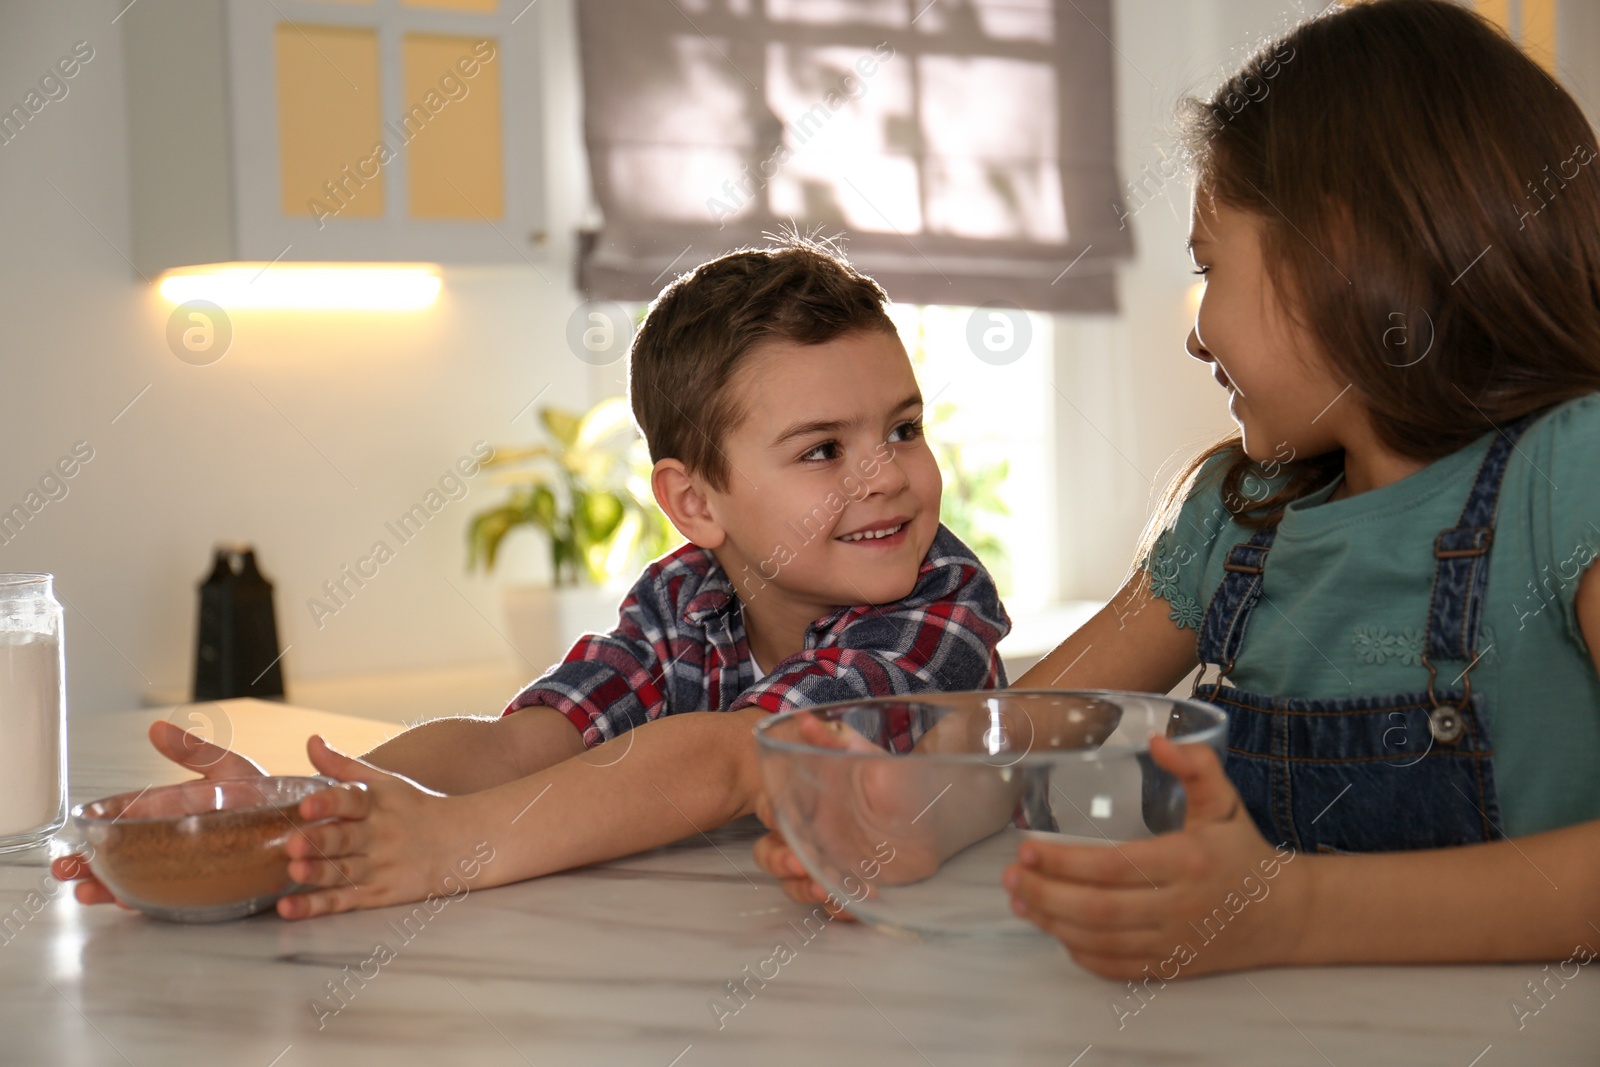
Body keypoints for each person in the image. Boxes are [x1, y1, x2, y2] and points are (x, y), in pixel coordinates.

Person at [754, 0, 1600, 981]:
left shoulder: (1567, 475)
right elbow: (1041, 720)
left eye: (1209, 267)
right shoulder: (1238, 515)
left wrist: (1289, 911)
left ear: (1340, 251)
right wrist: (914, 811)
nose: (1196, 332)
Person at [54, 237, 1010, 918]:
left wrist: (445, 845)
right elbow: (520, 749)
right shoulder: (683, 599)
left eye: (902, 427)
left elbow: (729, 758)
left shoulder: (938, 611)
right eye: (822, 450)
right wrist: (295, 816)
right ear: (696, 503)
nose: (885, 472)